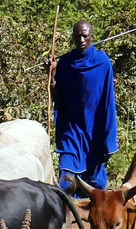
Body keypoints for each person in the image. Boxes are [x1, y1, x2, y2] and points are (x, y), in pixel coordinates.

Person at [47, 19, 117, 189]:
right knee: (65, 184)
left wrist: (108, 140)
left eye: (84, 36)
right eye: (77, 36)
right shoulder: (65, 63)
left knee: (95, 188)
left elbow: (108, 102)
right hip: (71, 132)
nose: (81, 40)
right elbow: (57, 97)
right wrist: (51, 73)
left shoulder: (102, 62)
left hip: (94, 133)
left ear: (91, 37)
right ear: (72, 37)